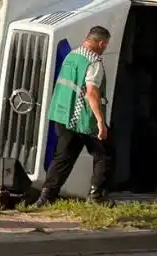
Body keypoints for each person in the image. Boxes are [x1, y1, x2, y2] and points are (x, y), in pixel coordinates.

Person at [33, 25, 113, 207]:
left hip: (62, 114)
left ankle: (46, 198)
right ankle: (96, 197)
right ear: (101, 43)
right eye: (106, 45)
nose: (105, 48)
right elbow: (91, 92)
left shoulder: (72, 55)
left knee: (63, 158)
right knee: (104, 154)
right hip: (82, 118)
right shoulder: (93, 62)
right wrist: (100, 122)